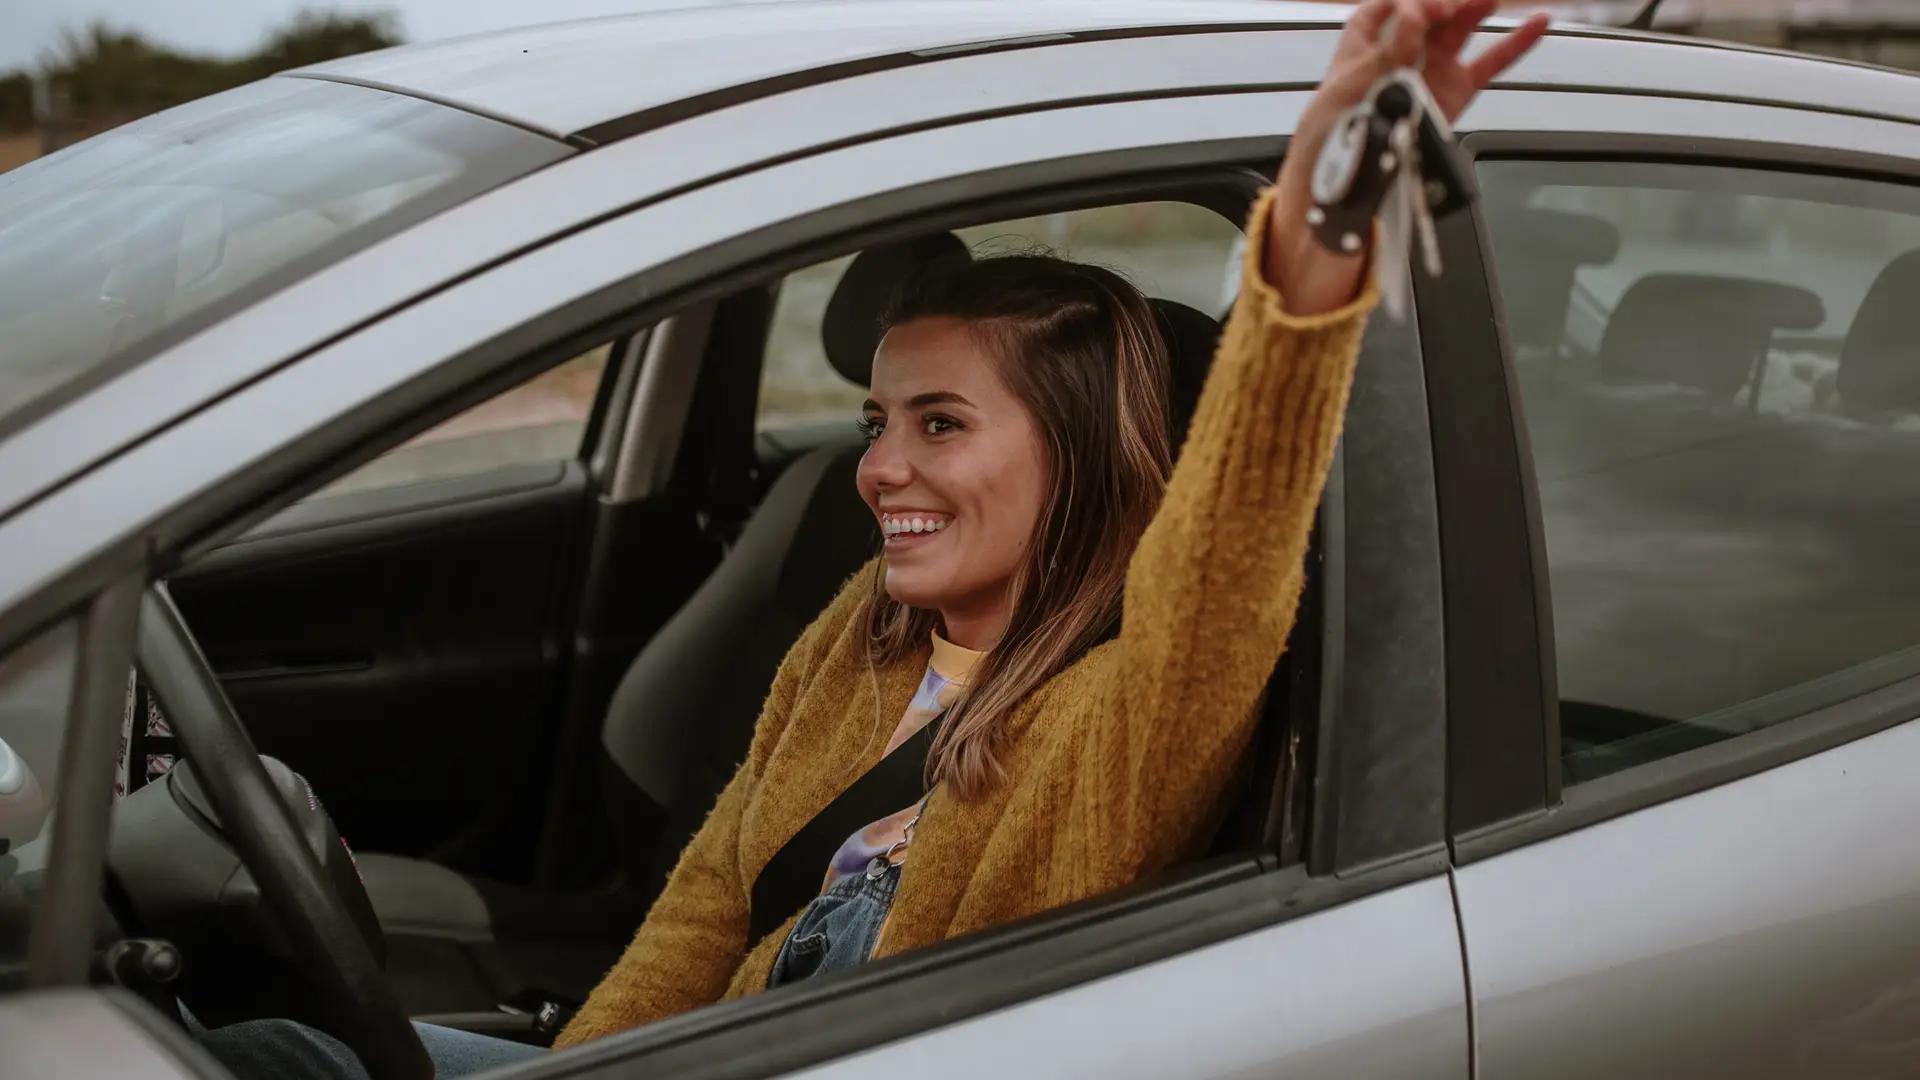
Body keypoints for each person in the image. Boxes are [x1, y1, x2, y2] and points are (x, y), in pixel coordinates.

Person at [199, 1, 1548, 1075]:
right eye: (874, 417)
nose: (879, 466)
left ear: (1078, 456)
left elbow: (1231, 551)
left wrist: (1316, 222)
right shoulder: (863, 631)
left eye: (943, 425)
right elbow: (706, 912)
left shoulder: (1122, 723)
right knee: (251, 1050)